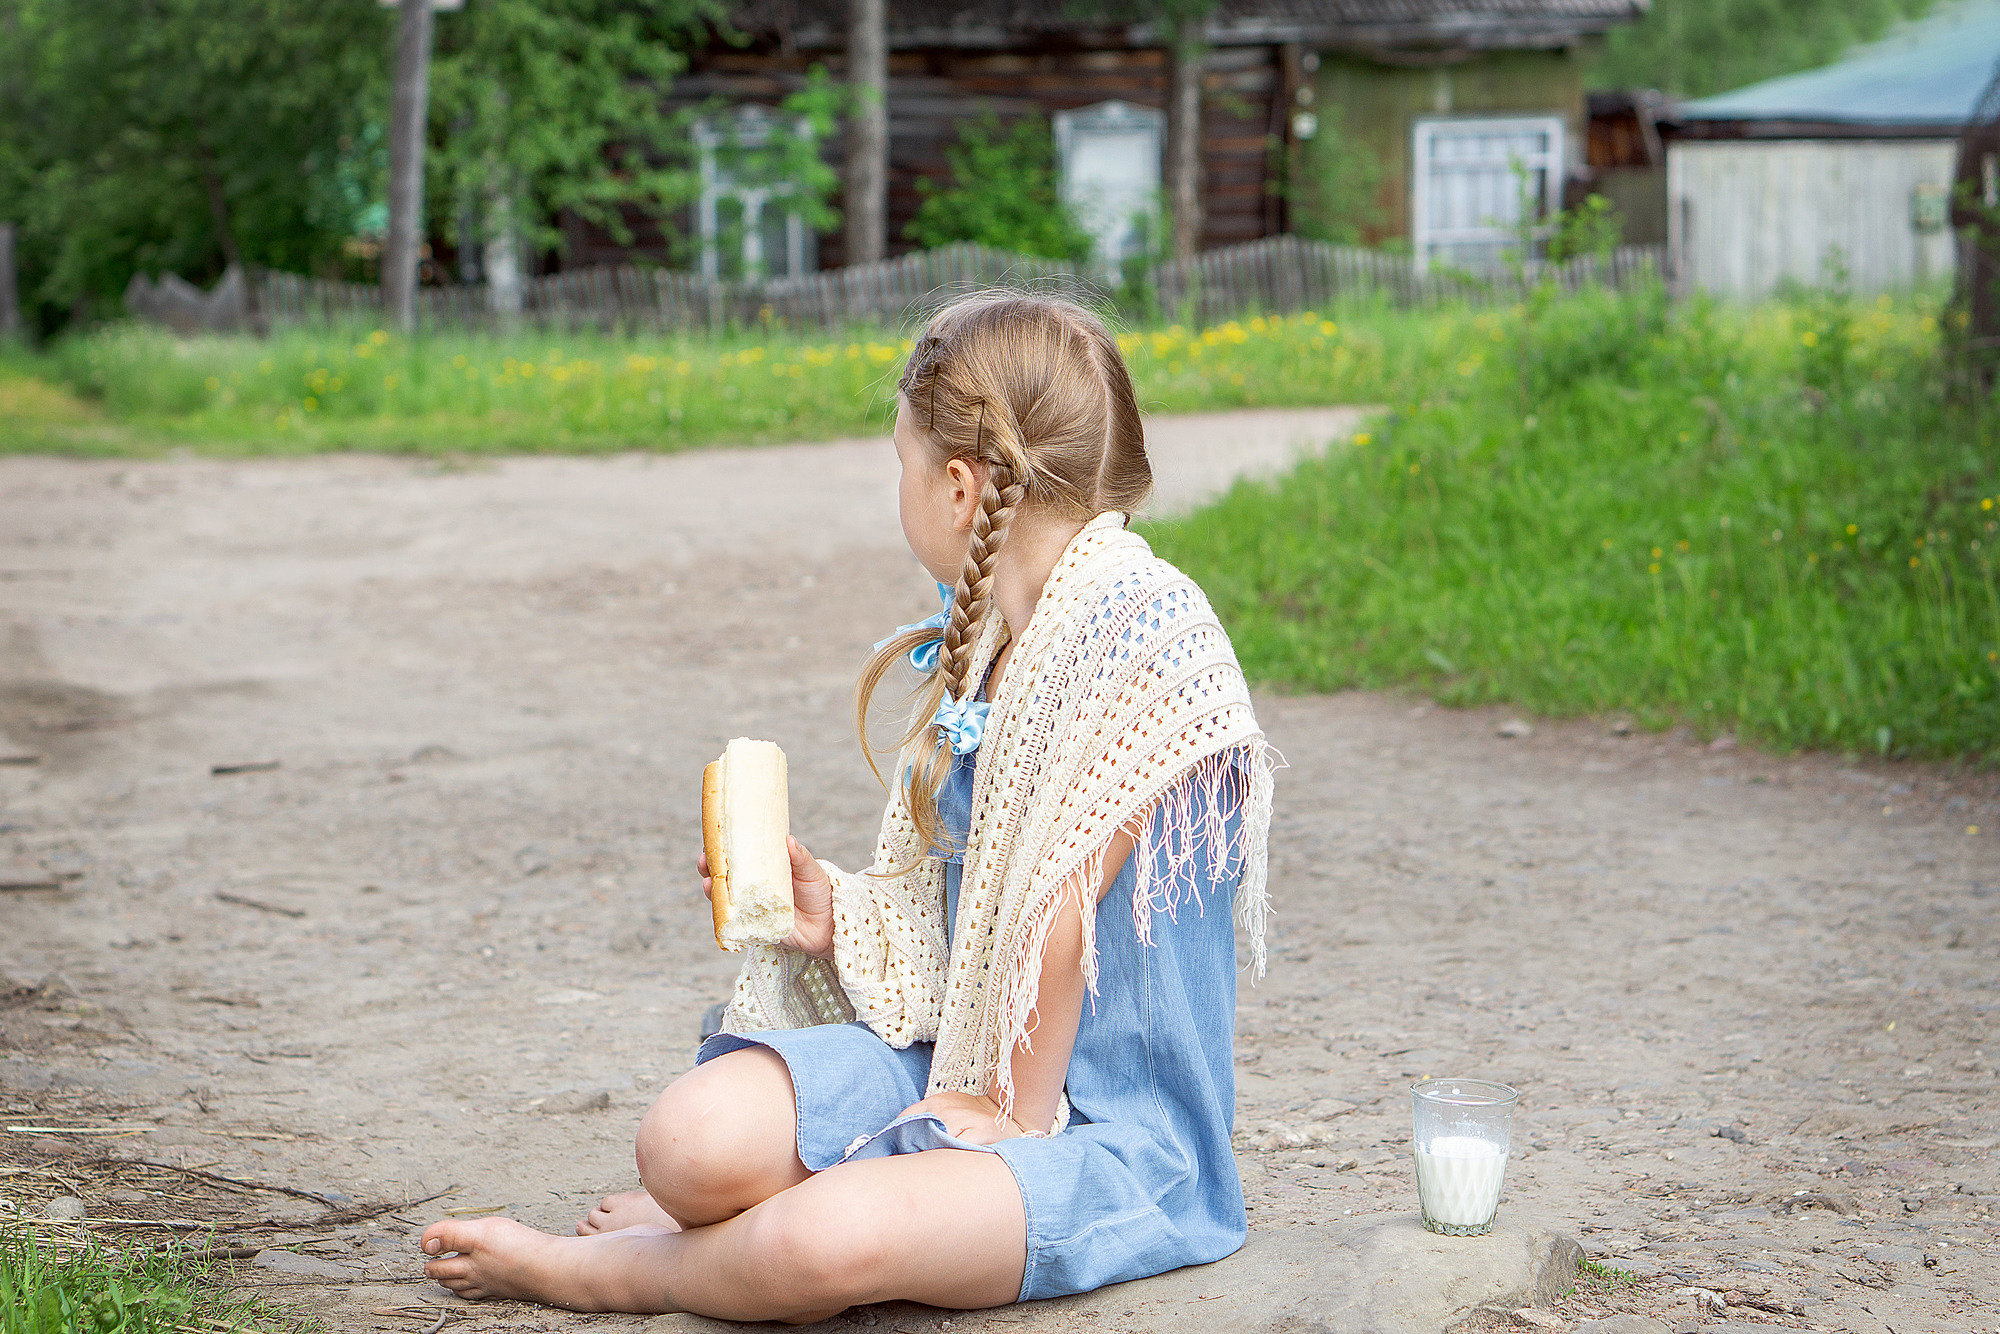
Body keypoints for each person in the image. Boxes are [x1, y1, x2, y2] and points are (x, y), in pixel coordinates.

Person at [419, 291, 1276, 1321]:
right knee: (687, 1140)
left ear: (957, 488)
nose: (897, 489)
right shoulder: (994, 642)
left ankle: (628, 1270)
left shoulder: (1142, 632)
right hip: (958, 1043)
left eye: (899, 465)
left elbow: (1055, 922)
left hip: (1098, 1125)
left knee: (819, 1240)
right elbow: (964, 917)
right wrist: (838, 914)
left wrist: (989, 1114)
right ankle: (743, 1210)